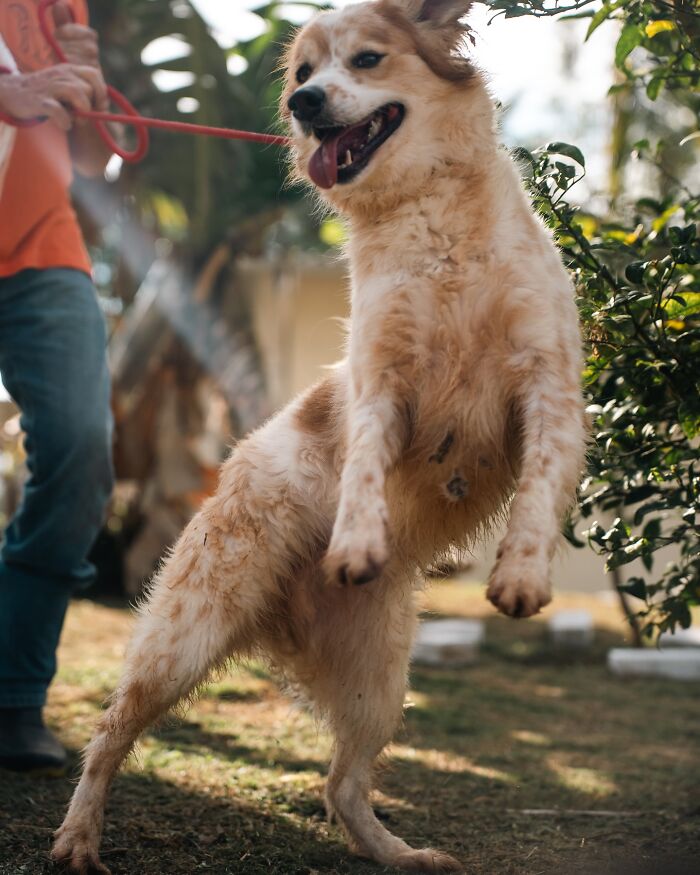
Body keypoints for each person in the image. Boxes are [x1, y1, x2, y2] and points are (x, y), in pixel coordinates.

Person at [0, 0, 114, 773]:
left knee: (80, 448)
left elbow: (91, 166)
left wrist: (91, 95)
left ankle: (13, 696)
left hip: (44, 249)